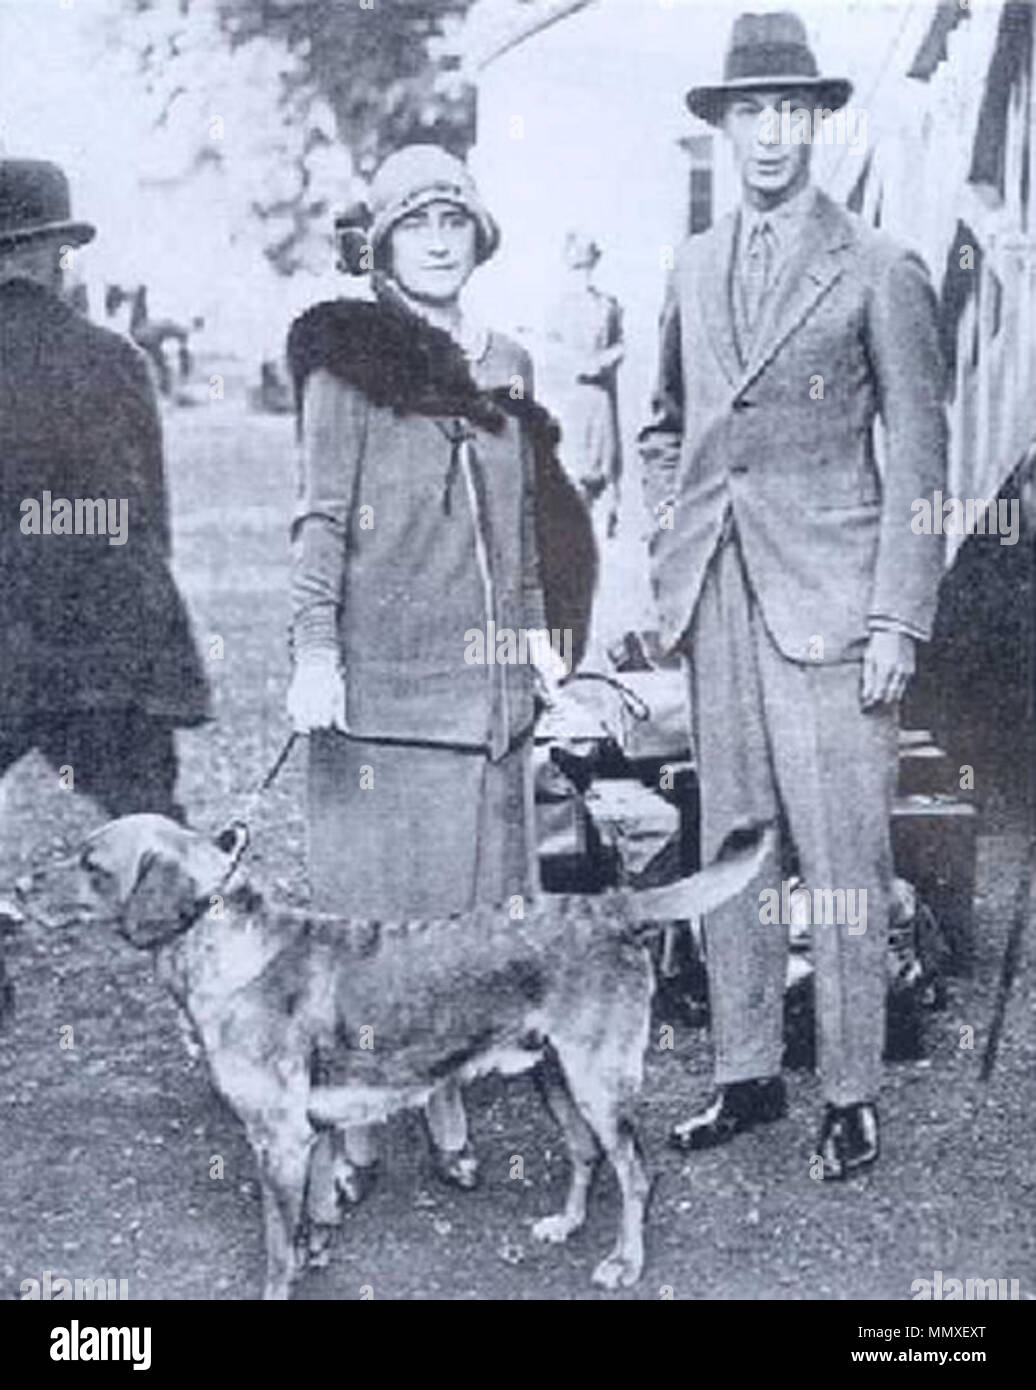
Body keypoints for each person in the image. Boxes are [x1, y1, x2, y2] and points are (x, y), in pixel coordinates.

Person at [640, 12, 948, 1178]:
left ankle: (852, 1088)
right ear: (722, 126)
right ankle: (746, 1071)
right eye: (748, 113)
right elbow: (665, 425)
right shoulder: (689, 262)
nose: (769, 135)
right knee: (731, 845)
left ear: (818, 120)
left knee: (843, 857)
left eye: (789, 111)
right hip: (718, 595)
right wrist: (666, 537)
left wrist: (896, 619)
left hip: (834, 608)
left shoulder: (880, 267)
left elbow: (923, 462)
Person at [286, 143, 595, 1215]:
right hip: (380, 698)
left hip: (486, 700)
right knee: (373, 929)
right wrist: (314, 652)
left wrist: (541, 640)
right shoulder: (347, 361)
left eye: (452, 221)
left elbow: (521, 524)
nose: (434, 238)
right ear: (383, 244)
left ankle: (451, 1105)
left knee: (467, 928)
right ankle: (355, 1130)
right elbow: (321, 517)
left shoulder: (507, 357)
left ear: (476, 237)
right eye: (413, 222)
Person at [0, 160, 209, 823]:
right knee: (148, 814)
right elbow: (149, 517)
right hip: (108, 633)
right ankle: (190, 917)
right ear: (60, 257)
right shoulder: (117, 359)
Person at [542, 232, 625, 545]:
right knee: (573, 470)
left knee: (602, 468)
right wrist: (576, 363)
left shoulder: (608, 305)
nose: (583, 273)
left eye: (587, 265)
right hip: (570, 397)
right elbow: (549, 350)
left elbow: (619, 345)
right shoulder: (558, 308)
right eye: (577, 267)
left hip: (600, 397)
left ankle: (601, 534)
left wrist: (607, 358)